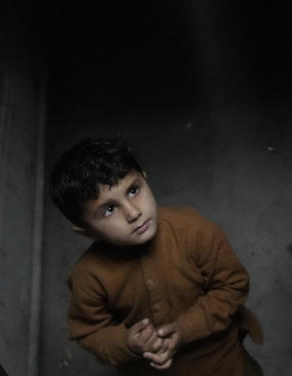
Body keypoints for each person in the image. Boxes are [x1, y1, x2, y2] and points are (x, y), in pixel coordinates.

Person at [48, 137, 262, 375]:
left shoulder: (193, 231)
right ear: (86, 231)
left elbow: (233, 285)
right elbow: (89, 331)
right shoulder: (88, 276)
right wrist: (127, 343)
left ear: (145, 178)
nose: (133, 212)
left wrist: (185, 329)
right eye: (109, 209)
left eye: (133, 190)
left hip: (222, 361)